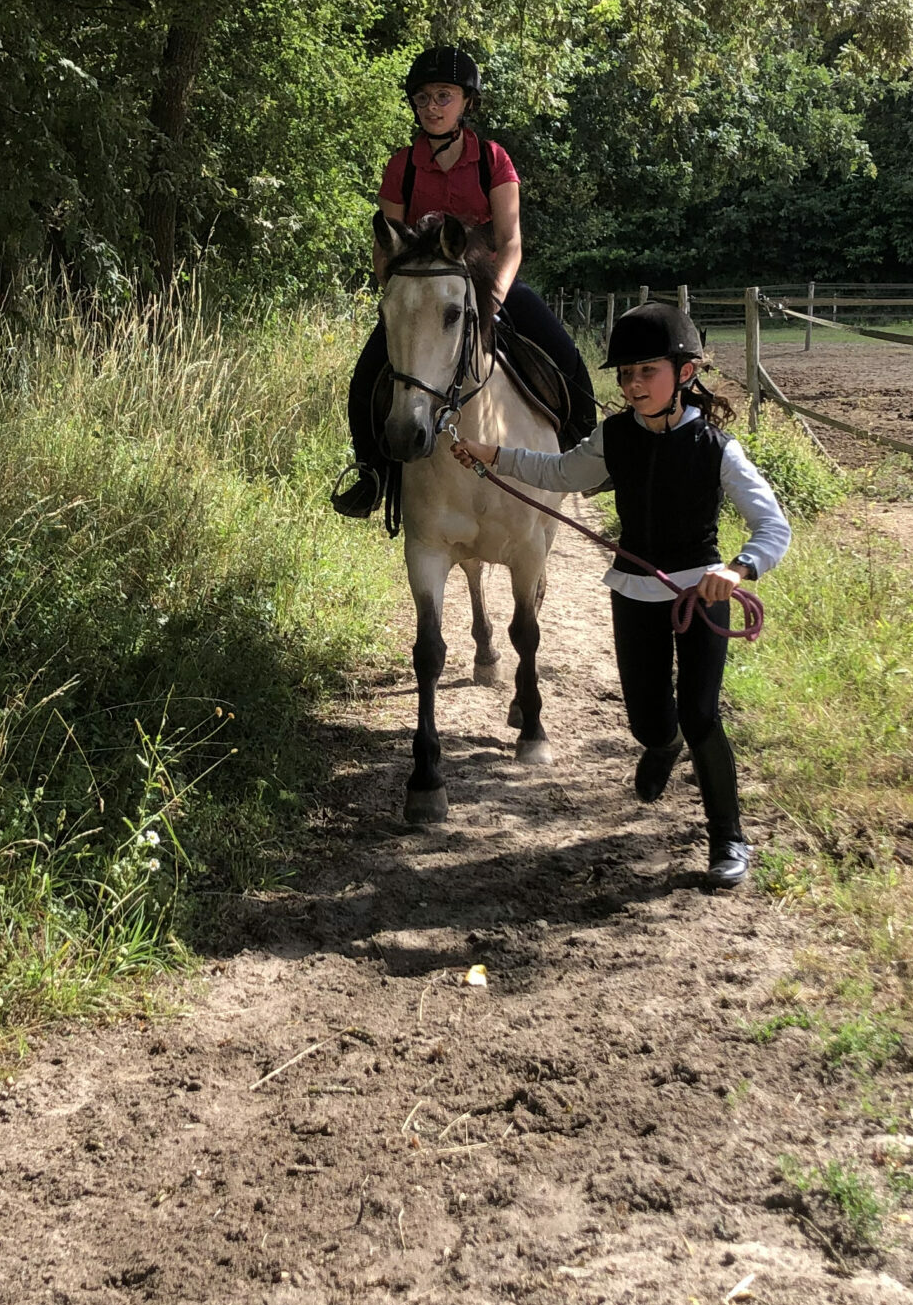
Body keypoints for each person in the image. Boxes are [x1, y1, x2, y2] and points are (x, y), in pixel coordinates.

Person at [449, 302, 789, 886]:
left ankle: (728, 840)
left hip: (701, 596)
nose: (633, 386)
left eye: (646, 372)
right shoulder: (614, 439)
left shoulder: (717, 447)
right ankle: (662, 743)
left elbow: (772, 525)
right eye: (626, 375)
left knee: (702, 714)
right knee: (649, 721)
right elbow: (557, 473)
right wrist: (492, 456)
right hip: (634, 592)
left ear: (684, 373)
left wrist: (737, 571)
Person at [331, 45, 598, 519]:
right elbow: (387, 244)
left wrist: (493, 300)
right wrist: (395, 298)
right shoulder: (402, 166)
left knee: (564, 354)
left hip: (487, 282)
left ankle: (587, 452)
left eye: (443, 96)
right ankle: (371, 472)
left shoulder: (493, 160)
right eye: (423, 99)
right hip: (424, 292)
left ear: (466, 103)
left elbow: (511, 241)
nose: (431, 107)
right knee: (365, 379)